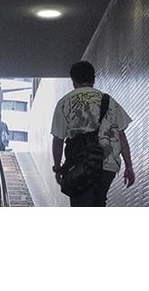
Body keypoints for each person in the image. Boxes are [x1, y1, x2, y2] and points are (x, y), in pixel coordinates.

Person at [50, 60, 135, 207]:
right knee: (98, 201)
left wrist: (58, 167)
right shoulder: (109, 101)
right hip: (107, 165)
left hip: (80, 164)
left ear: (73, 81)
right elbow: (121, 135)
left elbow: (58, 139)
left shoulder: (64, 103)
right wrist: (129, 166)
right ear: (94, 79)